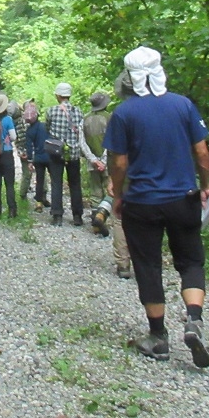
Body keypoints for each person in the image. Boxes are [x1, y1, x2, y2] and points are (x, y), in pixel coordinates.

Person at [105, 47, 209, 367]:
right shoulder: (183, 105)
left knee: (148, 266)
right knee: (191, 260)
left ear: (128, 76)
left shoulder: (124, 113)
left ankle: (158, 337)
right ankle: (194, 321)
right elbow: (203, 153)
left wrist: (119, 195)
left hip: (143, 202)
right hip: (183, 198)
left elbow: (120, 162)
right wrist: (205, 185)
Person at [85, 89, 132, 280]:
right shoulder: (111, 117)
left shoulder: (86, 119)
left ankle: (97, 221)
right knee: (112, 192)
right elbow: (112, 145)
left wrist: (91, 158)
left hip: (91, 161)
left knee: (97, 192)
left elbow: (82, 141)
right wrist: (103, 160)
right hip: (109, 162)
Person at [45, 82, 102, 226]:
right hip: (74, 152)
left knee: (56, 183)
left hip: (56, 152)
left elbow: (47, 128)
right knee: (75, 184)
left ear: (58, 95)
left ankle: (57, 215)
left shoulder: (51, 111)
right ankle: (77, 216)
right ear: (69, 95)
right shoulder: (78, 111)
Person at [21, 99, 51, 212]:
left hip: (38, 158)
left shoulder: (29, 131)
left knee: (39, 179)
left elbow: (29, 148)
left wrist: (30, 161)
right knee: (52, 179)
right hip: (49, 156)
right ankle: (49, 200)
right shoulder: (45, 126)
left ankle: (38, 204)